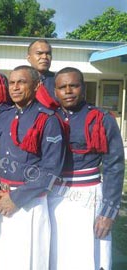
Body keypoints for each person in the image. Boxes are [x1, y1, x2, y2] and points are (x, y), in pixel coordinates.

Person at [49, 67, 125, 270]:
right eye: (62, 87)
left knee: (89, 259)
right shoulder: (47, 118)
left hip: (89, 197)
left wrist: (108, 212)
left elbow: (114, 166)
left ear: (83, 88)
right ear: (55, 91)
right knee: (56, 257)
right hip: (52, 196)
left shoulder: (101, 118)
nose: (68, 91)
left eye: (73, 85)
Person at [0, 65, 65, 270]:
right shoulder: (3, 116)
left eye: (22, 82)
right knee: (6, 260)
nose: (15, 87)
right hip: (2, 199)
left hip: (29, 202)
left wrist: (16, 199)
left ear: (36, 86)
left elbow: (51, 169)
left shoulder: (48, 119)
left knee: (31, 261)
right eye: (12, 82)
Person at [27, 39, 59, 109]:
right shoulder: (20, 81)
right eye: (39, 53)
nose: (44, 57)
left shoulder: (59, 80)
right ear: (29, 58)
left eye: (48, 54)